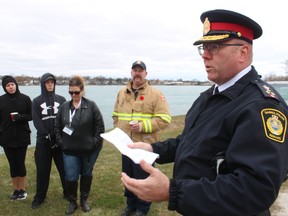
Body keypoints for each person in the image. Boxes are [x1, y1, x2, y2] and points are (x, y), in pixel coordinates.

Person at [120, 9, 288, 216]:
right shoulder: (212, 95)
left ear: (243, 52)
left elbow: (255, 190)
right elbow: (192, 142)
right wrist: (152, 148)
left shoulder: (261, 106)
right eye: (204, 48)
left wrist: (172, 191)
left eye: (214, 47)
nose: (205, 55)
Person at [112, 61, 171, 216]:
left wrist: (143, 126)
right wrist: (119, 131)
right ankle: (130, 205)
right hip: (126, 146)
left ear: (146, 73)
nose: (137, 73)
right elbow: (116, 115)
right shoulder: (121, 93)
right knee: (129, 177)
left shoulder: (156, 94)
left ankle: (142, 209)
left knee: (144, 178)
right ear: (131, 72)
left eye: (140, 70)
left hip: (145, 146)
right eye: (134, 70)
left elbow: (164, 119)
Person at [55, 75, 104, 215]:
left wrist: (93, 144)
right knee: (70, 176)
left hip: (87, 150)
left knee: (86, 174)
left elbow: (99, 127)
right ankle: (72, 201)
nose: (73, 95)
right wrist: (61, 143)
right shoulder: (64, 107)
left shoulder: (91, 105)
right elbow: (57, 126)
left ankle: (84, 200)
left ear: (82, 91)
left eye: (76, 92)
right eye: (71, 92)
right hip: (69, 150)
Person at [31, 73, 67, 209]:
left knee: (64, 170)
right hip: (43, 143)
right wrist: (47, 135)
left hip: (59, 142)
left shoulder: (62, 99)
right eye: (47, 82)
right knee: (42, 171)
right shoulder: (36, 101)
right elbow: (36, 121)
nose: (50, 84)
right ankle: (40, 197)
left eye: (52, 82)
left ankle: (68, 193)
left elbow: (65, 119)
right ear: (43, 84)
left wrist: (58, 136)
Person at [0, 75, 32, 200]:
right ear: (4, 87)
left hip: (22, 137)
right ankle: (16, 190)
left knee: (20, 163)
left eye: (12, 84)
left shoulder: (25, 99)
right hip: (6, 138)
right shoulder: (1, 100)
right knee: (12, 165)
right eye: (7, 85)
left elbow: (31, 115)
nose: (10, 87)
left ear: (16, 85)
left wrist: (21, 117)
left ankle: (22, 190)